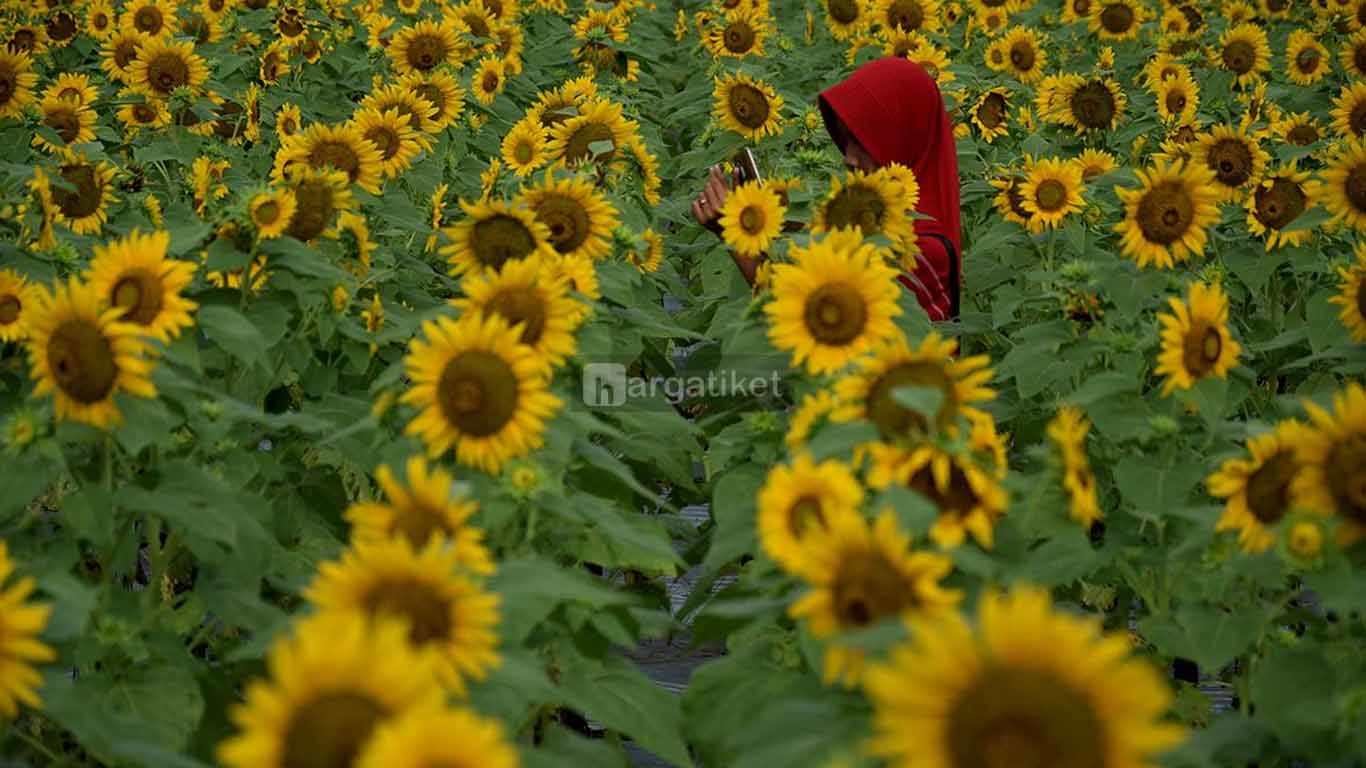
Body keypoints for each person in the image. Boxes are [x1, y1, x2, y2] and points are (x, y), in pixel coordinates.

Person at [692, 57, 962, 322]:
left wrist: (735, 239)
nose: (848, 157)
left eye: (862, 140)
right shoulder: (866, 215)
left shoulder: (918, 247)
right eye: (845, 140)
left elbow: (815, 327)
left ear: (903, 139)